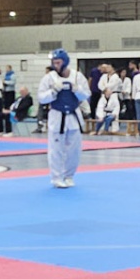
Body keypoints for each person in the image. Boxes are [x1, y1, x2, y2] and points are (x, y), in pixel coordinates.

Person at [37, 49, 88, 188]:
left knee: (74, 150)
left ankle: (69, 176)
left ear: (65, 62)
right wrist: (53, 91)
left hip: (73, 116)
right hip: (57, 116)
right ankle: (56, 178)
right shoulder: (49, 78)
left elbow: (86, 95)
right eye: (54, 62)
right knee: (56, 150)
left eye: (58, 62)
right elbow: (41, 98)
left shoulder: (77, 76)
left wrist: (77, 90)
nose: (56, 65)